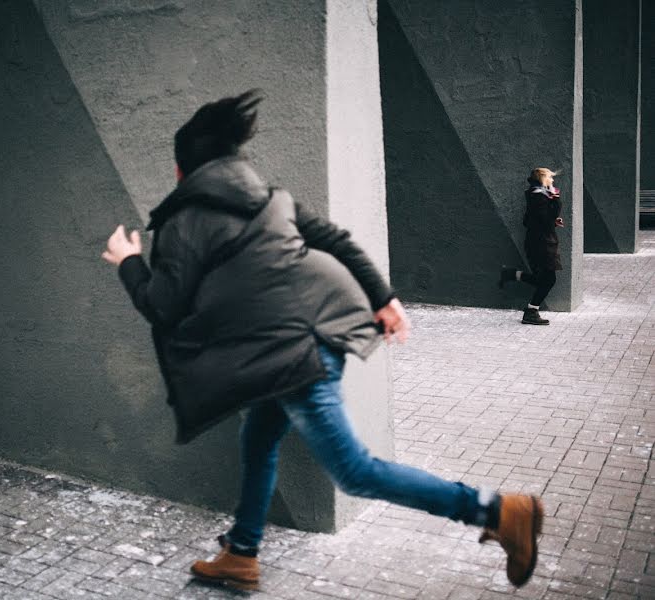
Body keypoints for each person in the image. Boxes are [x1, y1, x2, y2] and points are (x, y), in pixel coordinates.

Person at [101, 90, 543, 590]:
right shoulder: (273, 201)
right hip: (306, 340)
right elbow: (338, 240)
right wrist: (384, 298)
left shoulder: (185, 223)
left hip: (290, 355)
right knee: (260, 437)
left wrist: (128, 262)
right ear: (232, 162)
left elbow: (163, 306)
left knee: (355, 472)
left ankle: (499, 511)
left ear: (183, 173)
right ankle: (241, 553)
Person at [499, 168, 564, 325]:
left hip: (538, 241)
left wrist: (551, 221)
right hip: (541, 244)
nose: (553, 181)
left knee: (543, 279)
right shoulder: (540, 196)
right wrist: (555, 200)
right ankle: (531, 311)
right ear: (543, 179)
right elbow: (544, 218)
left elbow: (528, 220)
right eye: (550, 178)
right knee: (549, 279)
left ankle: (512, 274)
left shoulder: (537, 195)